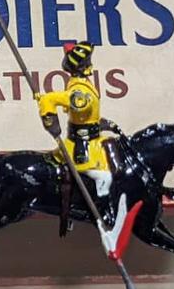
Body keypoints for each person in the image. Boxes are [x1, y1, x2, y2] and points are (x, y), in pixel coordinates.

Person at [37, 42, 120, 224]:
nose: (89, 64)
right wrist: (51, 120)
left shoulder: (83, 84)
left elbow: (89, 115)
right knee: (104, 176)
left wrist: (102, 123)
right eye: (86, 62)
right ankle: (102, 214)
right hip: (82, 145)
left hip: (94, 139)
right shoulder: (78, 90)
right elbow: (54, 99)